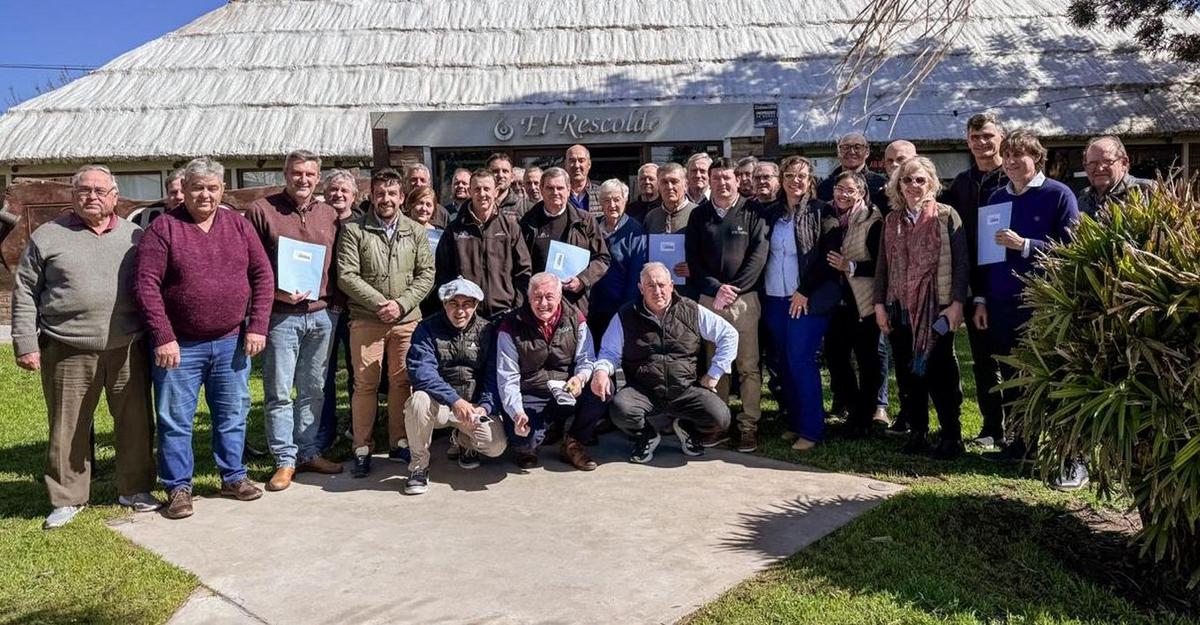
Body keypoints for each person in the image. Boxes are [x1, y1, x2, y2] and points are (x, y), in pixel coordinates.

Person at [12, 165, 159, 529]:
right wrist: (25, 342)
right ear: (73, 195)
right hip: (67, 346)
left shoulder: (134, 236)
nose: (91, 197)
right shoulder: (48, 236)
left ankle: (135, 489)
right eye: (83, 190)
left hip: (128, 344)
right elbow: (25, 292)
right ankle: (68, 497)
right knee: (68, 425)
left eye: (99, 190)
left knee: (136, 421)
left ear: (114, 196)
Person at [135, 157, 274, 518]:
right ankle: (179, 487)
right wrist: (163, 335)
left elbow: (262, 276)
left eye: (212, 188)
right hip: (179, 346)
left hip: (230, 341)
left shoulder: (238, 226)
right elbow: (146, 285)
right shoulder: (164, 228)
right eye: (198, 187)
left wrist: (257, 325)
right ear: (184, 189)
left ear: (223, 190)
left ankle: (233, 476)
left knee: (232, 414)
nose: (205, 195)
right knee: (175, 419)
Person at [979, 130, 1082, 486]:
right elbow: (987, 257)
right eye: (1006, 156)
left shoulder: (1058, 195)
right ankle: (1019, 442)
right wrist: (982, 299)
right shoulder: (995, 196)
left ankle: (1059, 450)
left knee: (1044, 376)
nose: (1009, 163)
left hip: (1042, 302)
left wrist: (1025, 245)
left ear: (1036, 158)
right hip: (1001, 302)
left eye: (1017, 156)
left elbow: (1073, 249)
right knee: (1010, 375)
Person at [244, 150, 345, 491]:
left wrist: (335, 306)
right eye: (297, 173)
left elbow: (337, 267)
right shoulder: (262, 211)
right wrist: (276, 295)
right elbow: (249, 266)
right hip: (280, 316)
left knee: (313, 389)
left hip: (321, 315)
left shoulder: (330, 215)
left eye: (310, 174)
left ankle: (308, 451)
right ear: (286, 174)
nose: (304, 179)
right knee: (278, 391)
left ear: (318, 178)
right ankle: (284, 460)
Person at [337, 168, 437, 478]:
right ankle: (362, 447)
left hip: (407, 320)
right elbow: (347, 275)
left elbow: (426, 274)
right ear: (372, 196)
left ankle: (399, 441)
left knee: (401, 382)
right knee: (365, 384)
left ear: (402, 197)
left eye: (392, 194)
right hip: (368, 319)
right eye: (380, 193)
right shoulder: (354, 230)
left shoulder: (415, 232)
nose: (386, 199)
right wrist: (380, 304)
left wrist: (402, 304)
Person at [591, 262, 737, 463]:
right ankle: (647, 436)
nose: (657, 291)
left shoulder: (691, 310)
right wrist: (601, 371)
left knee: (721, 417)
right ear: (641, 288)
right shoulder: (625, 315)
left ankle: (686, 429)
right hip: (643, 390)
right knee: (620, 409)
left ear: (672, 286)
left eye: (661, 285)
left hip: (685, 389)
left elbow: (729, 335)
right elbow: (609, 352)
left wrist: (714, 374)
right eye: (650, 286)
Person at [873, 157, 969, 460]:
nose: (913, 186)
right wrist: (879, 305)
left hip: (936, 308)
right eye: (907, 180)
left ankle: (951, 437)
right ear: (898, 185)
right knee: (909, 374)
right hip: (899, 307)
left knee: (941, 373)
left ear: (931, 182)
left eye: (919, 180)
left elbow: (961, 264)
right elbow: (882, 267)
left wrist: (956, 305)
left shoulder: (946, 215)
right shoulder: (891, 220)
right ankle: (918, 432)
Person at [684, 157, 768, 449]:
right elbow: (692, 260)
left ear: (737, 180)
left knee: (748, 365)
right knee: (715, 364)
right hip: (711, 301)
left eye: (727, 177)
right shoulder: (699, 215)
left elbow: (758, 256)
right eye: (716, 177)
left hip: (744, 301)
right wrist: (716, 289)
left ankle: (748, 425)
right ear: (709, 180)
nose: (721, 182)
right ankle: (719, 423)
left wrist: (732, 289)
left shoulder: (754, 211)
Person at [760, 156, 841, 451]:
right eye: (791, 175)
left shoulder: (823, 211)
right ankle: (794, 422)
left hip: (807, 300)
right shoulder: (771, 214)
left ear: (810, 181)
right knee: (783, 363)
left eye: (802, 176)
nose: (796, 180)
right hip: (774, 297)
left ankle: (811, 430)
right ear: (782, 179)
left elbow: (829, 258)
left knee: (801, 360)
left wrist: (804, 290)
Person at [401, 278, 507, 495]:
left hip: (473, 408)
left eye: (467, 304)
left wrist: (484, 407)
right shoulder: (426, 329)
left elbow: (493, 376)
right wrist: (454, 400)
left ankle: (463, 442)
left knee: (496, 446)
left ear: (476, 305)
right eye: (453, 304)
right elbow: (422, 373)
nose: (460, 311)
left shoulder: (488, 331)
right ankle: (418, 467)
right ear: (444, 304)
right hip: (440, 406)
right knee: (417, 400)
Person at [942, 112, 1009, 447]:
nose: (982, 143)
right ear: (967, 141)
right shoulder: (961, 183)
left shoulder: (1011, 179)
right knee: (984, 360)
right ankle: (991, 427)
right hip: (972, 282)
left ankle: (1019, 432)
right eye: (975, 137)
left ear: (1001, 137)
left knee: (1012, 360)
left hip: (1007, 282)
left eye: (988, 136)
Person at [496, 273, 604, 471]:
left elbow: (586, 359)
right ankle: (534, 439)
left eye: (549, 297)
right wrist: (516, 412)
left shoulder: (576, 318)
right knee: (524, 441)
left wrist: (580, 378)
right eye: (537, 297)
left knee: (603, 387)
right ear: (528, 298)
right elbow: (507, 376)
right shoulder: (510, 325)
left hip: (566, 389)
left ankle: (573, 442)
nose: (543, 303)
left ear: (560, 295)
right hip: (530, 392)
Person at [822, 171, 887, 438]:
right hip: (836, 301)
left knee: (867, 360)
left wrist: (849, 266)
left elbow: (882, 265)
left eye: (850, 190)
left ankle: (864, 418)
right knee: (836, 357)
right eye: (839, 189)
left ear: (861, 192)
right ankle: (852, 409)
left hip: (864, 302)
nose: (843, 194)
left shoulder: (873, 221)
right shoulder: (830, 218)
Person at [435, 170, 533, 320]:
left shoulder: (510, 228)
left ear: (495, 191)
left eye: (487, 189)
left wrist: (517, 307)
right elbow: (443, 273)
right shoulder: (454, 230)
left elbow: (523, 271)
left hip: (504, 314)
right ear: (469, 192)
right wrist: (455, 306)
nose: (482, 194)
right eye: (477, 189)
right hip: (467, 315)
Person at [520, 167, 611, 315]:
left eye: (560, 188)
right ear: (542, 190)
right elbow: (520, 265)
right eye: (550, 188)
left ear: (568, 190)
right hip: (539, 305)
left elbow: (602, 258)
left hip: (575, 303)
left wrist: (583, 280)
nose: (555, 192)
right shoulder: (528, 222)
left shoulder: (585, 221)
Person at [317, 169, 360, 452]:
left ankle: (358, 427)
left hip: (356, 310)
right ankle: (325, 430)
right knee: (323, 373)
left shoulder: (363, 224)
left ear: (354, 196)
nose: (339, 194)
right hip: (324, 309)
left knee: (359, 374)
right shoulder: (317, 223)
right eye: (333, 189)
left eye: (344, 190)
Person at [589, 178, 647, 339]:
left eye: (616, 199)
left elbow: (636, 273)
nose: (612, 205)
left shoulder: (635, 231)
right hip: (591, 305)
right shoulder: (592, 226)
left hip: (620, 307)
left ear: (625, 200)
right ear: (600, 202)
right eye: (607, 200)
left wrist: (627, 308)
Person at [1077, 135, 1154, 218]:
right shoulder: (1083, 198)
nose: (1100, 168)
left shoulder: (1146, 190)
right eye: (1093, 163)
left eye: (1107, 161)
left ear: (1124, 163)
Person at [817, 132, 887, 210]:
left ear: (867, 152)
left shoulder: (880, 185)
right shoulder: (825, 186)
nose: (851, 152)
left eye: (857, 147)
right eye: (846, 147)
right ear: (838, 152)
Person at [406, 163, 451, 227]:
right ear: (406, 182)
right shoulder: (397, 210)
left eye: (422, 180)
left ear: (429, 183)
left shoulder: (441, 213)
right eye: (414, 179)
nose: (418, 183)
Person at [488, 153, 531, 217]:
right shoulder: (476, 205)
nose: (500, 175)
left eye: (505, 171)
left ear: (511, 177)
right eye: (495, 171)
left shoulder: (526, 207)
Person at [564, 144, 602, 218]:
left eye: (581, 160)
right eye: (572, 160)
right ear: (565, 164)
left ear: (589, 164)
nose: (577, 165)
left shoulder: (601, 194)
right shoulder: (559, 194)